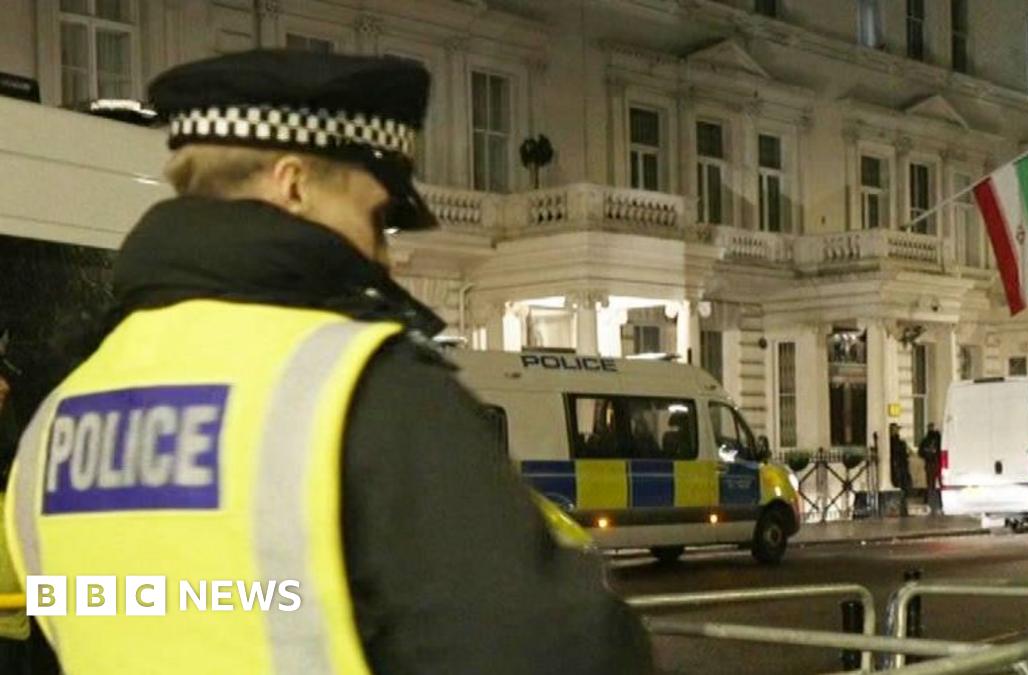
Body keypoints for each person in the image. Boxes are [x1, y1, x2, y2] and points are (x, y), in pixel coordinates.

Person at [3, 50, 651, 675]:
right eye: (375, 217)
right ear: (294, 185)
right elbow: (558, 651)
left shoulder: (54, 424)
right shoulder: (359, 387)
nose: (386, 255)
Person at [918, 422, 942, 515]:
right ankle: (937, 502)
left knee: (931, 483)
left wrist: (927, 454)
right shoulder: (936, 439)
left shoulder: (927, 440)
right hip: (935, 463)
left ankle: (931, 502)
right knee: (936, 483)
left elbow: (921, 452)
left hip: (931, 463)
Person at [889, 423, 913, 517]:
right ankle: (902, 510)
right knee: (901, 488)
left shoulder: (900, 442)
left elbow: (907, 454)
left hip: (901, 468)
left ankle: (903, 509)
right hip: (898, 468)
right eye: (895, 430)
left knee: (903, 489)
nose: (896, 431)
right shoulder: (894, 442)